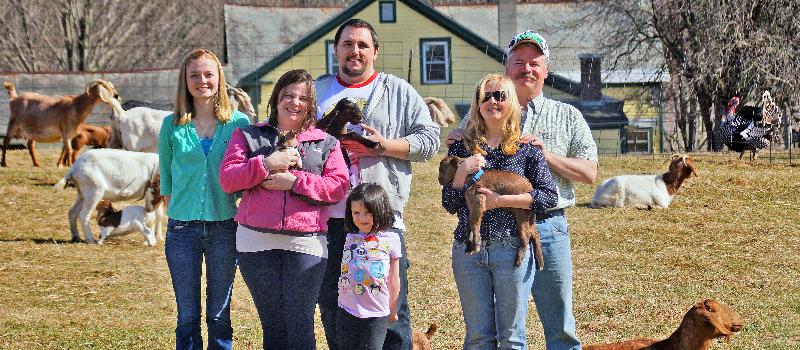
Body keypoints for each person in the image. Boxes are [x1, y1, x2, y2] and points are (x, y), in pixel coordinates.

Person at [448, 31, 598, 350]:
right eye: (518, 62)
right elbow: (460, 158)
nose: (526, 69)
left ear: (545, 70)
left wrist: (546, 156)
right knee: (492, 331)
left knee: (559, 326)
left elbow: (589, 172)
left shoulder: (567, 115)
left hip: (548, 224)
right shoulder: (483, 109)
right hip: (495, 230)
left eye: (534, 63)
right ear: (506, 68)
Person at [315, 18, 441, 350]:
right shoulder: (318, 92)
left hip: (381, 218)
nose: (354, 51)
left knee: (390, 305)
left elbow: (429, 141)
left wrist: (384, 146)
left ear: (375, 52)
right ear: (336, 50)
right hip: (328, 217)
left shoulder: (398, 91)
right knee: (331, 302)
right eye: (347, 44)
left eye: (362, 45)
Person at [218, 69, 349, 349]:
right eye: (288, 94)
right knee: (273, 325)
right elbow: (228, 179)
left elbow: (338, 188)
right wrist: (266, 163)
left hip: (306, 242)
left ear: (311, 105)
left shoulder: (326, 143)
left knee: (300, 323)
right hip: (255, 242)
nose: (295, 102)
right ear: (277, 98)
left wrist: (296, 182)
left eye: (303, 98)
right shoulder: (249, 135)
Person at [442, 73, 558, 349]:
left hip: (511, 247)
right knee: (478, 337)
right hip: (469, 250)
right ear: (478, 104)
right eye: (486, 96)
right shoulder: (461, 147)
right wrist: (462, 170)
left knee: (512, 338)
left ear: (512, 103)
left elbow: (547, 197)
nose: (492, 101)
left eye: (500, 96)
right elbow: (449, 202)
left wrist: (499, 201)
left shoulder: (526, 149)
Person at [158, 48, 250, 350]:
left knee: (219, 312)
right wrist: (174, 208)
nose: (202, 81)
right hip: (182, 230)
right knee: (187, 313)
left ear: (219, 78)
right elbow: (167, 175)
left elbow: (246, 172)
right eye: (194, 75)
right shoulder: (171, 125)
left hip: (225, 226)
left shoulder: (238, 123)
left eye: (208, 74)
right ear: (185, 81)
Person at [337, 183, 402, 349]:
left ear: (380, 211)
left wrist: (393, 309)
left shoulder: (391, 239)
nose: (361, 218)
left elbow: (394, 279)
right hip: (347, 310)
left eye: (367, 213)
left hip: (376, 313)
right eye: (356, 213)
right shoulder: (350, 237)